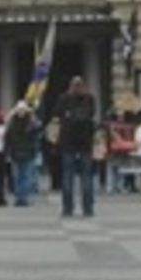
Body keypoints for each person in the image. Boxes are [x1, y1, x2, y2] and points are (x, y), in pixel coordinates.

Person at [53, 77, 96, 218]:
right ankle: (88, 208)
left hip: (68, 141)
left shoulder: (64, 98)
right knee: (87, 177)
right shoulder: (89, 98)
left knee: (67, 176)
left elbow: (56, 114)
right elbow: (92, 114)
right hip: (86, 142)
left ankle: (67, 208)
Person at [5, 102, 40, 207]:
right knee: (26, 176)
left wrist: (7, 152)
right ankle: (23, 197)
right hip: (28, 152)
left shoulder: (11, 125)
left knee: (17, 176)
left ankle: (19, 197)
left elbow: (8, 140)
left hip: (15, 153)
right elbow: (35, 137)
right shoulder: (31, 124)